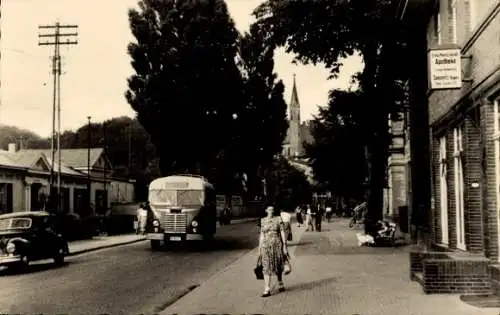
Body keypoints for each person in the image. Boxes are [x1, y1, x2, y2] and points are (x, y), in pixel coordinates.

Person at [257, 205, 288, 297]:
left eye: (273, 209)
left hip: (277, 245)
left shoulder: (278, 219)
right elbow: (262, 235)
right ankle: (267, 289)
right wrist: (259, 249)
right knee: (266, 266)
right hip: (266, 247)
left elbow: (282, 232)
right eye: (269, 209)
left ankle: (280, 282)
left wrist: (284, 246)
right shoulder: (263, 220)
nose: (271, 211)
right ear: (266, 210)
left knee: (278, 265)